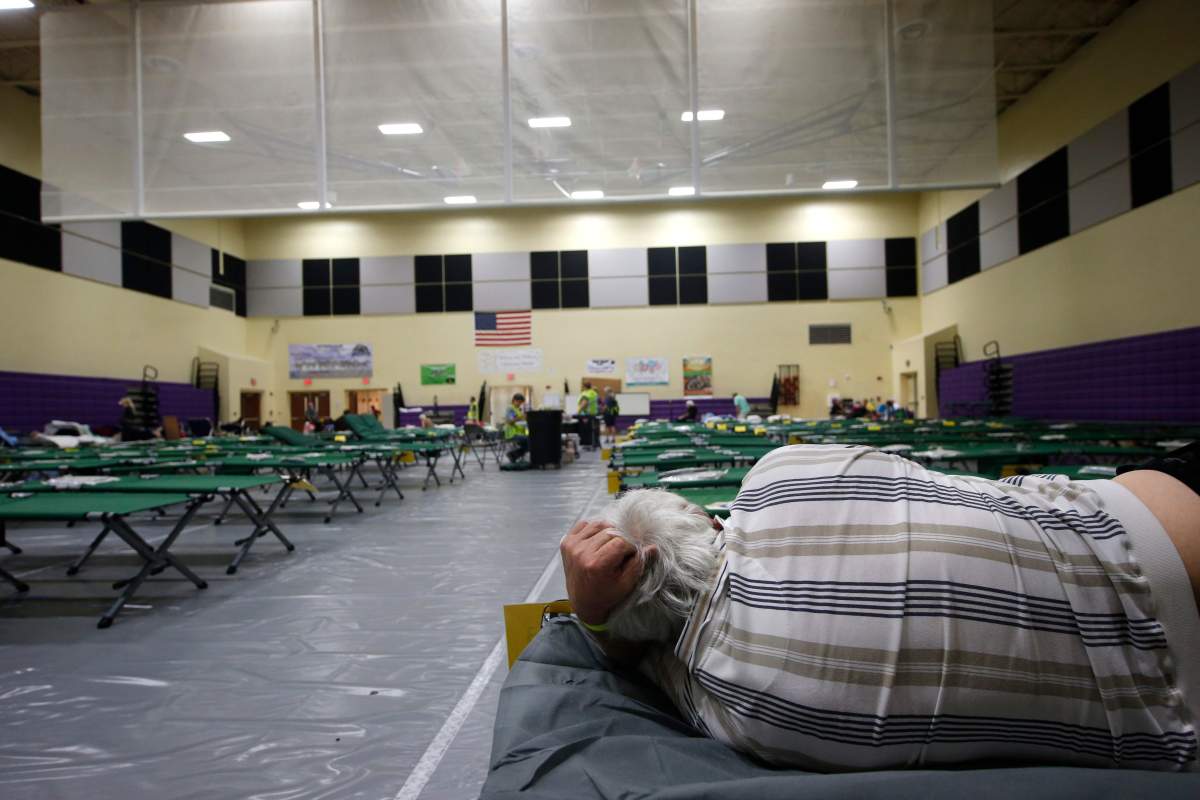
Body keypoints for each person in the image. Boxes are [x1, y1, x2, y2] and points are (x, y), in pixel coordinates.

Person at [560, 443, 1200, 772]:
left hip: (1176, 707)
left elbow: (642, 656)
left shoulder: (742, 707)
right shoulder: (783, 474)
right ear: (704, 519)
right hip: (1148, 514)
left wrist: (597, 619)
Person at [504, 392, 529, 462]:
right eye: (519, 402)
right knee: (529, 441)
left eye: (521, 403)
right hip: (512, 434)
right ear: (514, 400)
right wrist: (522, 417)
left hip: (519, 433)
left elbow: (519, 420)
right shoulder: (510, 408)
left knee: (531, 441)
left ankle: (514, 455)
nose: (520, 404)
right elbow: (510, 421)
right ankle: (513, 454)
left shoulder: (517, 409)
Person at [578, 382, 600, 450]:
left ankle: (588, 445)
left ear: (584, 387)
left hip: (586, 414)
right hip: (594, 414)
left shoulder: (586, 393)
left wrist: (578, 412)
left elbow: (584, 404)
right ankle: (595, 443)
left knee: (587, 431)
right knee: (594, 430)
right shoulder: (594, 393)